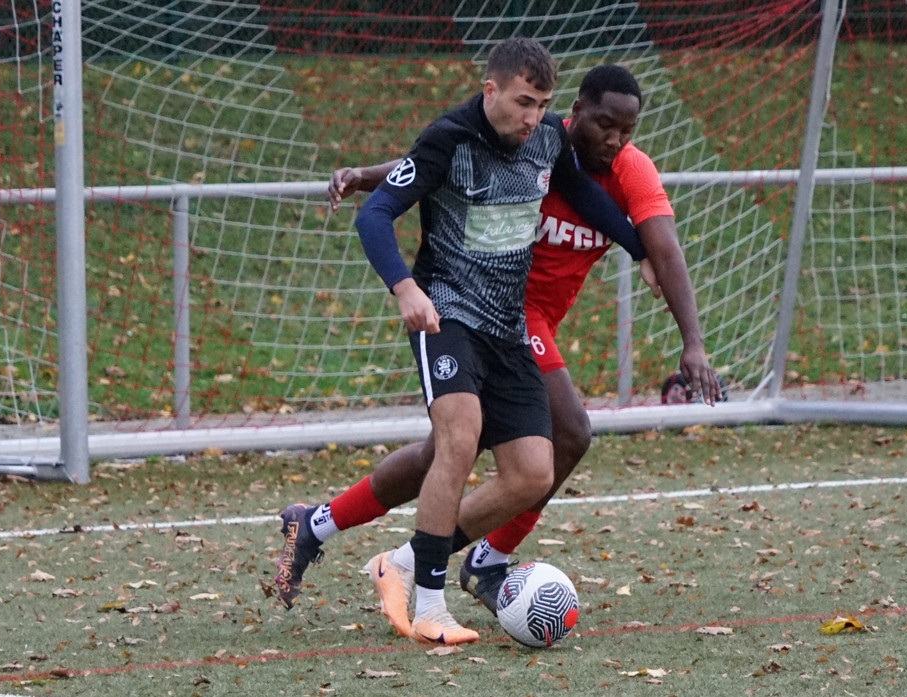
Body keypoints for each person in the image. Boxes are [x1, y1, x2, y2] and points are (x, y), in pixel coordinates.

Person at [276, 40, 656, 646]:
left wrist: (639, 250)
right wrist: (405, 288)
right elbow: (375, 214)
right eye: (523, 102)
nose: (533, 117)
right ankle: (430, 606)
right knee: (458, 437)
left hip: (507, 326)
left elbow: (585, 195)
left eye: (543, 105)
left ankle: (351, 541)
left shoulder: (546, 140)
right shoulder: (447, 139)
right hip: (446, 313)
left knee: (532, 473)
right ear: (491, 90)